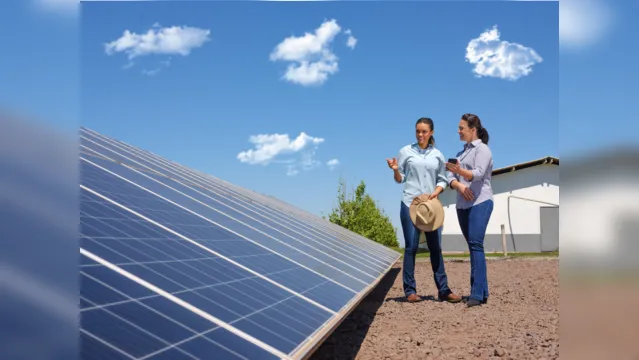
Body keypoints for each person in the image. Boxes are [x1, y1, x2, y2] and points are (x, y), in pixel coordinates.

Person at [386, 117, 462, 304]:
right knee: (411, 247)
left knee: (435, 248)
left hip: (430, 207)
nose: (420, 135)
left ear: (431, 133)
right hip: (410, 204)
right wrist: (395, 169)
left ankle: (444, 290)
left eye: (424, 131)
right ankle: (410, 290)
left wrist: (434, 194)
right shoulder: (405, 151)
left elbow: (443, 180)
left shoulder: (437, 155)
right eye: (417, 131)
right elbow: (400, 178)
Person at [445, 113, 494, 307]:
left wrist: (459, 172)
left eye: (461, 128)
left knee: (475, 244)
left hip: (480, 202)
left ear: (473, 129)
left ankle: (476, 293)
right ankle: (482, 291)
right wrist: (458, 184)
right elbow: (449, 177)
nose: (458, 131)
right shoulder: (461, 153)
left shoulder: (483, 150)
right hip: (463, 205)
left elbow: (478, 174)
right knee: (473, 247)